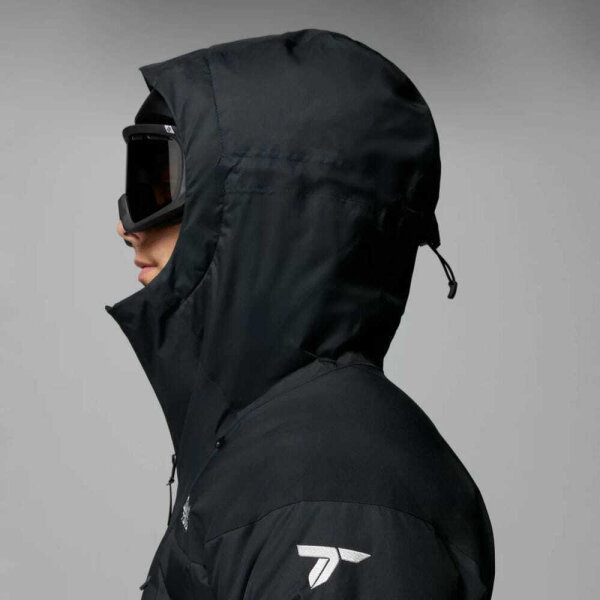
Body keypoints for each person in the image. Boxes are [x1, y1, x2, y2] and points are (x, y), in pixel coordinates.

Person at [106, 28, 495, 600]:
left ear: (265, 217)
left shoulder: (330, 489)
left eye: (160, 185)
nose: (127, 227)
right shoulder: (270, 447)